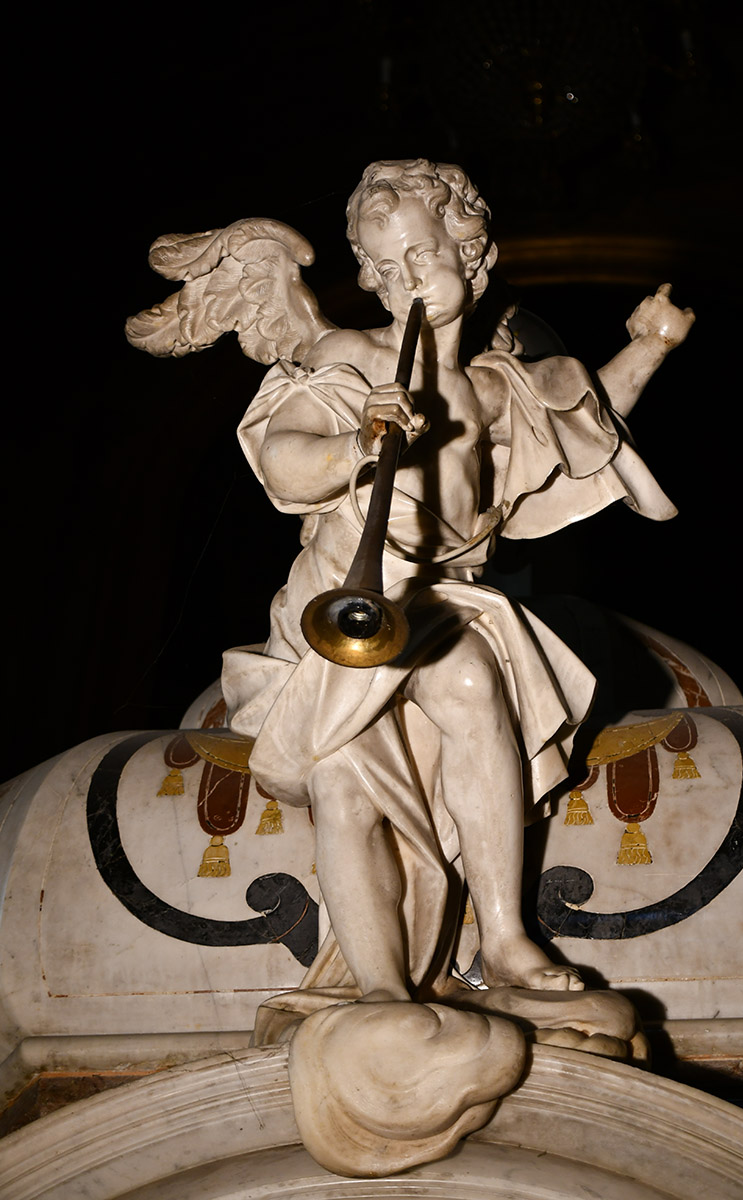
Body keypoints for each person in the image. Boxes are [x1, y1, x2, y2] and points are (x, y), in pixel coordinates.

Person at [221, 159, 694, 1016]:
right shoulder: (352, 357)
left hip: (442, 599)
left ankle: (505, 937)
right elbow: (282, 460)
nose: (405, 280)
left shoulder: (490, 386)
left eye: (422, 257)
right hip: (342, 592)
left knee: (475, 682)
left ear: (471, 257)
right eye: (385, 267)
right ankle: (378, 987)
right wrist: (357, 445)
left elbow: (589, 428)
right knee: (344, 786)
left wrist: (651, 347)